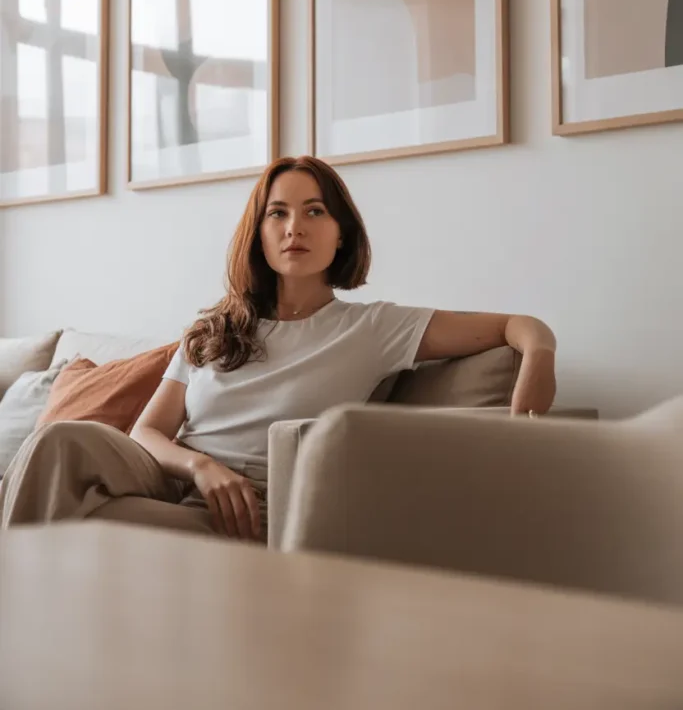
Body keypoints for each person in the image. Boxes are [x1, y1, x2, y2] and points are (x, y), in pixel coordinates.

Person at [0, 156, 557, 542]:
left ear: (341, 233)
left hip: (245, 517)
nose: (296, 227)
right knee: (60, 443)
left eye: (315, 211)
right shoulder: (218, 328)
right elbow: (147, 432)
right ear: (260, 235)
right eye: (279, 213)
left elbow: (519, 326)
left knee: (73, 522)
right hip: (175, 480)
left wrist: (538, 366)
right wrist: (199, 467)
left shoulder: (373, 329)